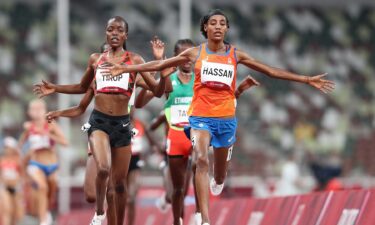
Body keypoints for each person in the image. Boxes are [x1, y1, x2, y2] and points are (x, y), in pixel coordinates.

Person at [100, 9, 335, 225]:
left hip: (226, 119)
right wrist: (126, 69)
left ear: (227, 29)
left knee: (219, 176)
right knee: (201, 159)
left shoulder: (235, 54)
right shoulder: (195, 53)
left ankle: (218, 179)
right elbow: (162, 63)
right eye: (213, 23)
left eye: (223, 23)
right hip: (201, 116)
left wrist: (306, 79)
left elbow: (270, 70)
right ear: (206, 28)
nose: (218, 27)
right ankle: (205, 220)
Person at [35, 16, 170, 225]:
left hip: (123, 125)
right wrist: (56, 87)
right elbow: (82, 87)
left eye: (119, 30)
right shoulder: (96, 59)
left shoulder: (136, 61)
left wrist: (161, 66)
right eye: (110, 29)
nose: (114, 33)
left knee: (119, 185)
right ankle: (99, 213)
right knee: (104, 168)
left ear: (126, 35)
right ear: (106, 33)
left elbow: (158, 92)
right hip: (99, 121)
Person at [134, 38, 260, 225]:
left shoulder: (202, 79)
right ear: (177, 57)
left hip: (196, 132)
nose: (187, 60)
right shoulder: (168, 80)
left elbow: (223, 101)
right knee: (177, 191)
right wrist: (155, 74)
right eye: (182, 55)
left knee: (199, 162)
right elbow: (140, 103)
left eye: (189, 55)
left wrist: (240, 88)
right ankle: (175, 214)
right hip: (175, 138)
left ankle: (200, 214)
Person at [18, 99, 68, 225]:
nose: (36, 112)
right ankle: (43, 220)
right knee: (42, 187)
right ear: (29, 112)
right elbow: (19, 145)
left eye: (39, 109)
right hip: (35, 164)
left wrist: (47, 134)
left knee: (52, 184)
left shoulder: (51, 125)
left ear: (45, 111)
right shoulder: (29, 127)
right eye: (33, 109)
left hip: (51, 164)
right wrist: (26, 155)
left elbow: (65, 142)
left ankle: (46, 210)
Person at [0, 137, 24, 225]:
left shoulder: (18, 160)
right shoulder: (2, 160)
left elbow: (22, 175)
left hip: (16, 188)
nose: (7, 149)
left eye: (8, 147)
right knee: (7, 210)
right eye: (5, 147)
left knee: (17, 213)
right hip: (5, 187)